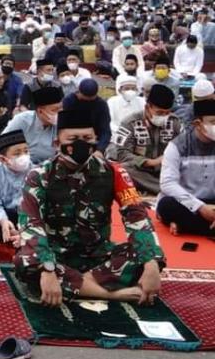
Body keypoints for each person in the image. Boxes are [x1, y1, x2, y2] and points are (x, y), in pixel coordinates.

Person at [14, 109, 164, 306]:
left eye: (87, 138)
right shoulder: (39, 176)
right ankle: (110, 294)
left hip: (98, 256)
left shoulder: (114, 171)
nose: (80, 144)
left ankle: (78, 286)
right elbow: (31, 225)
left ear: (96, 141)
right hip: (56, 256)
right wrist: (48, 268)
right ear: (57, 143)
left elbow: (136, 215)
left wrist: (151, 264)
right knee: (25, 262)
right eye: (73, 138)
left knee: (147, 255)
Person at [107, 84, 180, 194]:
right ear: (147, 107)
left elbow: (184, 149)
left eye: (167, 113)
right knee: (122, 169)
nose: (164, 116)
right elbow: (122, 154)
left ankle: (167, 188)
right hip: (141, 171)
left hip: (166, 170)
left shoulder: (174, 122)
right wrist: (150, 162)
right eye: (159, 112)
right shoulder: (130, 122)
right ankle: (166, 190)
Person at [157, 99, 215, 236]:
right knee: (166, 205)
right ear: (198, 124)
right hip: (185, 201)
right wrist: (199, 207)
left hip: (212, 201)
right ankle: (208, 228)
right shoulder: (177, 146)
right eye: (213, 122)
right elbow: (167, 183)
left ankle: (183, 225)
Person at [3, 85, 63, 165]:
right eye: (54, 110)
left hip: (46, 169)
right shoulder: (23, 120)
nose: (59, 113)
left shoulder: (62, 126)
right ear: (40, 111)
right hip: (17, 165)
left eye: (60, 109)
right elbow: (3, 144)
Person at [62, 79, 111, 154]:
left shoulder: (101, 105)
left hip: (94, 142)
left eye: (90, 100)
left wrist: (100, 149)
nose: (88, 102)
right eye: (85, 99)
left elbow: (105, 130)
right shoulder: (69, 101)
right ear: (79, 91)